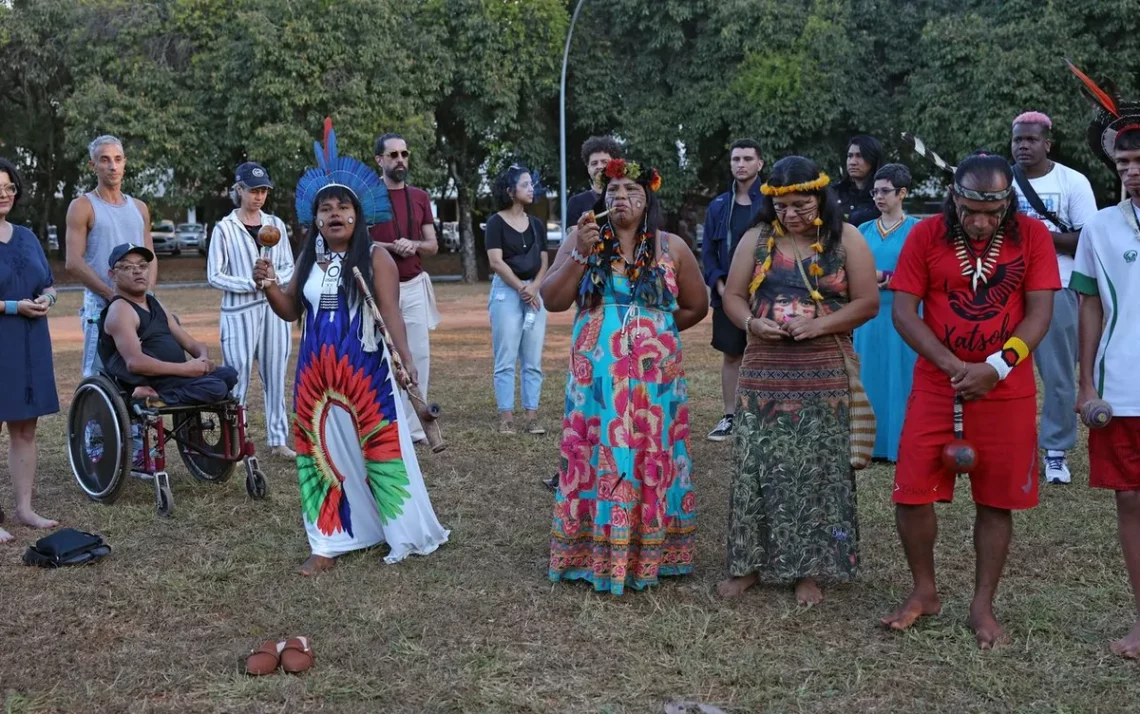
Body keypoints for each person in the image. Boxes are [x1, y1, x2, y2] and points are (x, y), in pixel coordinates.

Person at [881, 152, 1059, 649]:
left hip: (1007, 386)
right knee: (911, 490)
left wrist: (996, 367)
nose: (981, 223)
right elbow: (903, 311)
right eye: (971, 211)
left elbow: (1040, 313)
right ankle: (924, 591)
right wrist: (953, 366)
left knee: (996, 497)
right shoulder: (925, 236)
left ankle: (982, 605)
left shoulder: (1033, 236)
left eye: (993, 212)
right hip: (938, 382)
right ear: (954, 199)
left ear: (1008, 205)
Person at [263, 122, 448, 575]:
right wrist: (268, 285)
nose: (334, 215)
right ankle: (328, 539)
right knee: (319, 452)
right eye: (325, 209)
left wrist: (406, 367)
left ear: (358, 214)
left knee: (380, 450)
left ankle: (399, 529)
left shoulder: (375, 258)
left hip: (365, 373)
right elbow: (290, 311)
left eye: (343, 207)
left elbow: (391, 317)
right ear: (314, 218)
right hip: (315, 376)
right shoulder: (309, 259)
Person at [716, 157, 879, 605]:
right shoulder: (757, 238)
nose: (792, 215)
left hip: (824, 371)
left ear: (821, 198)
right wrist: (752, 323)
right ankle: (748, 565)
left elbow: (868, 302)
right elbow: (731, 295)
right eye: (783, 207)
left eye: (802, 206)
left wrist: (819, 326)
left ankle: (810, 569)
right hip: (763, 369)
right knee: (755, 468)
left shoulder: (846, 239)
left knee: (819, 471)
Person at [541, 158, 708, 595]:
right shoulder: (584, 241)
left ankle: (654, 550)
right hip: (596, 377)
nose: (621, 198)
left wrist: (657, 333)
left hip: (657, 379)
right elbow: (552, 299)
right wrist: (579, 250)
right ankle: (594, 549)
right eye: (612, 191)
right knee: (600, 451)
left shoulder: (671, 247)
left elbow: (696, 304)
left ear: (649, 197)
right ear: (601, 199)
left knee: (652, 451)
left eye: (632, 189)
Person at [1069, 72, 1140, 658]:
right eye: (1124, 164)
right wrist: (1085, 381)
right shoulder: (1100, 226)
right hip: (1121, 395)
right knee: (1131, 504)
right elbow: (1088, 305)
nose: (1133, 170)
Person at [1010, 111, 1099, 485]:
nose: (1024, 146)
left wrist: (1033, 237)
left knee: (1058, 375)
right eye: (1017, 140)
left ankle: (1057, 452)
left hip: (1056, 286)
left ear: (1048, 142)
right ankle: (1006, 447)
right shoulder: (1001, 180)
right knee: (1002, 372)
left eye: (1031, 139)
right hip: (1005, 288)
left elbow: (1086, 237)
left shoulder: (1072, 182)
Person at [207, 162, 297, 458]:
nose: (258, 196)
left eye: (263, 190)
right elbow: (214, 274)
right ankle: (235, 440)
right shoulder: (225, 228)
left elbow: (288, 266)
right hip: (238, 313)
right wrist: (251, 282)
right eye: (253, 190)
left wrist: (271, 280)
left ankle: (277, 439)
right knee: (238, 377)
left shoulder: (276, 225)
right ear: (239, 189)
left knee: (275, 375)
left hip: (274, 311)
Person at [0, 158, 59, 541]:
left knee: (25, 428)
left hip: (31, 340)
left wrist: (47, 299)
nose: (3, 195)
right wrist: (11, 307)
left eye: (8, 188)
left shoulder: (26, 235)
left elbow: (50, 283)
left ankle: (24, 509)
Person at [100, 243, 238, 406]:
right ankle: (155, 397)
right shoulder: (121, 310)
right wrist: (186, 369)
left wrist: (203, 360)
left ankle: (165, 396)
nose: (137, 270)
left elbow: (191, 343)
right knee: (216, 388)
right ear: (113, 275)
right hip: (153, 380)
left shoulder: (154, 303)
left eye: (143, 265)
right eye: (127, 267)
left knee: (230, 374)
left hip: (176, 376)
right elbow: (135, 363)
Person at [370, 133, 441, 445]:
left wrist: (413, 244)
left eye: (404, 154)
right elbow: (358, 242)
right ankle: (384, 425)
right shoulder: (366, 197)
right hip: (375, 290)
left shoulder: (420, 197)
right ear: (379, 160)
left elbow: (432, 245)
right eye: (393, 154)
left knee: (418, 357)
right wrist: (390, 247)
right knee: (377, 358)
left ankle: (413, 430)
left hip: (412, 285)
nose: (400, 160)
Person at [65, 135, 154, 378]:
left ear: (125, 162)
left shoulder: (139, 208)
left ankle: (132, 418)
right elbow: (73, 262)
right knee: (98, 377)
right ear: (93, 166)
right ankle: (94, 417)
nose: (112, 166)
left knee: (140, 374)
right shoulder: (83, 206)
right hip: (101, 305)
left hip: (139, 304)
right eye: (104, 160)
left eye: (117, 159)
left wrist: (147, 295)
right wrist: (112, 296)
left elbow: (151, 256)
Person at [853, 163, 920, 462]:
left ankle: (900, 443)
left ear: (902, 193)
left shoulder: (918, 229)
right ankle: (869, 444)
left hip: (905, 315)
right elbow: (847, 269)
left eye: (885, 191)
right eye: (875, 191)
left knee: (901, 376)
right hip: (868, 316)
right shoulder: (861, 231)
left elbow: (926, 271)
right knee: (867, 375)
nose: (878, 196)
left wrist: (891, 277)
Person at [701, 139, 765, 442]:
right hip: (727, 295)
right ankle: (730, 416)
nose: (741, 164)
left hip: (765, 295)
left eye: (748, 159)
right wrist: (723, 288)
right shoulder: (718, 205)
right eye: (736, 158)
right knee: (732, 354)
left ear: (760, 164)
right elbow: (709, 254)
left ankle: (763, 415)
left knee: (766, 355)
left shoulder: (771, 202)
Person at [484, 163, 548, 435]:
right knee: (506, 356)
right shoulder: (495, 222)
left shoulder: (536, 224)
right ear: (510, 192)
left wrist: (533, 287)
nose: (531, 188)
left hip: (533, 291)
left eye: (531, 184)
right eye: (525, 184)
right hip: (506, 292)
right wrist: (522, 289)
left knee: (533, 358)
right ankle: (506, 417)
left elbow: (545, 260)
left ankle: (532, 416)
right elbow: (496, 262)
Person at [565, 136, 623, 227]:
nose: (599, 166)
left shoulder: (624, 198)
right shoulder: (576, 202)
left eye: (604, 162)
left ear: (615, 165)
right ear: (588, 169)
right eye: (594, 163)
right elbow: (573, 238)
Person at [835, 134, 883, 227]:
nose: (852, 162)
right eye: (850, 156)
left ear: (873, 159)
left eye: (859, 156)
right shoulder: (836, 193)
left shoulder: (882, 196)